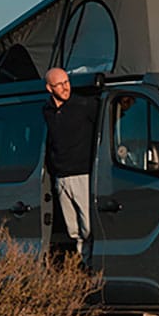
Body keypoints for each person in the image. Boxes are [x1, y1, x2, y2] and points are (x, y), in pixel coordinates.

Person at [42, 67, 98, 262]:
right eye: (60, 84)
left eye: (67, 82)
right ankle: (83, 264)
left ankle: (91, 265)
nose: (65, 87)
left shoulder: (84, 105)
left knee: (88, 226)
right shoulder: (46, 111)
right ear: (49, 88)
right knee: (73, 229)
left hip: (83, 174)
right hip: (61, 177)